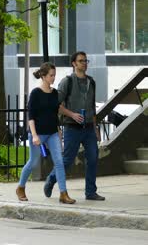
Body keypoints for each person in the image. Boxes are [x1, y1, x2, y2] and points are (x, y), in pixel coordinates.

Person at [43, 51, 105, 201]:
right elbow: (56, 105)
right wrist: (71, 114)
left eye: (86, 61)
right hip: (72, 127)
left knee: (93, 157)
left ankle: (90, 192)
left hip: (89, 127)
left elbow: (92, 106)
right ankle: (51, 179)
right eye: (81, 61)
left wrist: (96, 128)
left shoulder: (92, 82)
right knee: (67, 160)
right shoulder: (67, 82)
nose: (84, 63)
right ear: (74, 64)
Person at [16, 62, 75, 204]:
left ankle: (63, 193)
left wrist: (59, 129)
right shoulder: (36, 93)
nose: (53, 78)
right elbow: (31, 116)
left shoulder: (54, 93)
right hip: (38, 133)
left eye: (54, 75)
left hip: (52, 133)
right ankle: (20, 187)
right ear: (43, 76)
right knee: (34, 162)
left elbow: (56, 112)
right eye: (51, 75)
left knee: (59, 162)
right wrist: (34, 135)